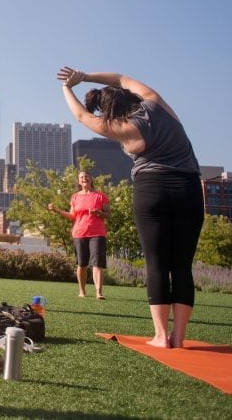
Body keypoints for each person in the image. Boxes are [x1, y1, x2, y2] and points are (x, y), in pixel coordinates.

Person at [57, 67, 202, 348]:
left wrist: (67, 87)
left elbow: (81, 116)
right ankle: (179, 338)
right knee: (182, 265)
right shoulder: (155, 102)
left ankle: (161, 336)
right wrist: (84, 76)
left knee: (157, 263)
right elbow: (120, 78)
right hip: (189, 188)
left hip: (153, 188)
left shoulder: (125, 128)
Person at [47, 171, 110, 299]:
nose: (84, 178)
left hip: (97, 233)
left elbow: (108, 215)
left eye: (86, 176)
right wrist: (56, 210)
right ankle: (82, 291)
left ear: (91, 179)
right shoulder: (75, 197)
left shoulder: (100, 196)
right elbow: (72, 215)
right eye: (81, 177)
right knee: (82, 264)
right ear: (79, 181)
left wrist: (98, 212)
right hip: (79, 233)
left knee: (97, 264)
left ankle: (99, 292)